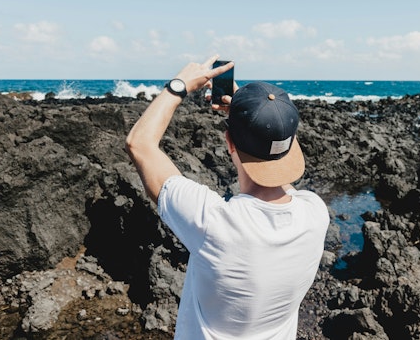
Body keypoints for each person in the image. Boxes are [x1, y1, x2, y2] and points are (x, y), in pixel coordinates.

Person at [126, 55, 329, 339]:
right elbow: (282, 169)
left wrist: (177, 86)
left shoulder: (214, 224)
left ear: (229, 143)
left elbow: (139, 144)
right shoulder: (316, 212)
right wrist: (254, 115)